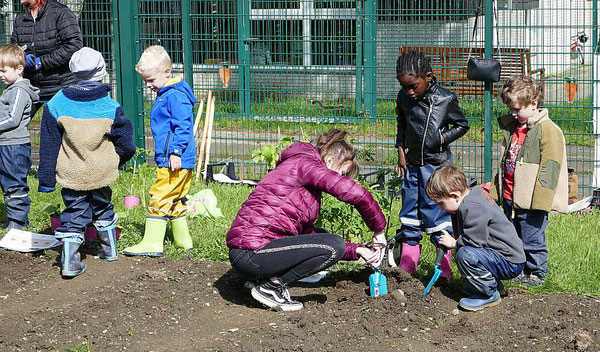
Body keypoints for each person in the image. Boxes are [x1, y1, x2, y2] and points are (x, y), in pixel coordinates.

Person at [227, 129, 386, 312]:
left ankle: (262, 279)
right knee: (333, 245)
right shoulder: (307, 165)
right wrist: (378, 230)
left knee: (323, 237)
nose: (340, 178)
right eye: (342, 172)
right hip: (252, 253)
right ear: (330, 161)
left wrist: (358, 250)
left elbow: (306, 236)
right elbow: (355, 193)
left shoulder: (300, 171)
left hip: (251, 251)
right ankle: (271, 287)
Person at [38, 47, 135, 278]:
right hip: (101, 170)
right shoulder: (110, 106)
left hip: (72, 172)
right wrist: (120, 159)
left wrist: (46, 179)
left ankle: (71, 261)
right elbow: (126, 142)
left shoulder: (56, 104)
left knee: (73, 212)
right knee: (103, 205)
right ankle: (109, 249)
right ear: (102, 72)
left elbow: (49, 145)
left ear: (72, 71)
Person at [394, 50, 469, 278]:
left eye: (414, 86)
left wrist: (442, 138)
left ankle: (443, 264)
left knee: (437, 211)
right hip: (412, 165)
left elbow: (462, 125)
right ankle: (408, 261)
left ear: (428, 76)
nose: (409, 91)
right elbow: (402, 124)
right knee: (409, 209)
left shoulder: (445, 99)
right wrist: (400, 151)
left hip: (437, 168)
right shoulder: (404, 98)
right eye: (405, 86)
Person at [491, 75, 568, 286]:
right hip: (510, 196)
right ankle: (518, 269)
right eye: (511, 110)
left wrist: (542, 202)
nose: (513, 114)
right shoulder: (513, 129)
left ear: (533, 103)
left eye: (517, 109)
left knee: (532, 238)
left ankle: (537, 272)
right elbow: (505, 162)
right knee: (513, 237)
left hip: (532, 200)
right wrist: (496, 191)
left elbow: (550, 168)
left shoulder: (548, 131)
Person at [123, 45, 196, 257]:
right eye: (146, 81)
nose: (149, 85)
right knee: (175, 198)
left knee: (160, 195)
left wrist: (175, 151)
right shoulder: (169, 92)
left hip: (174, 158)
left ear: (166, 71)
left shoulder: (174, 96)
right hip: (177, 157)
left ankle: (152, 243)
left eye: (151, 80)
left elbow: (182, 125)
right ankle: (183, 240)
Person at [427, 165, 525, 311]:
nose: (440, 208)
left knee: (465, 254)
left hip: (509, 262)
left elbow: (474, 241)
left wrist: (454, 242)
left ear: (455, 196)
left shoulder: (473, 206)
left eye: (441, 203)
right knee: (466, 251)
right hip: (506, 255)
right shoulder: (472, 196)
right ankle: (494, 285)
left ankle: (488, 294)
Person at [11, 0, 83, 117]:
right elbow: (13, 48)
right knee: (13, 126)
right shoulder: (20, 18)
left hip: (60, 87)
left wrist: (42, 62)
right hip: (30, 87)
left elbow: (74, 45)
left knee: (60, 130)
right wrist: (22, 58)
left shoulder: (60, 13)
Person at [0, 44, 40, 230]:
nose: (0, 75)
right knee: (7, 181)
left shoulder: (19, 91)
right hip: (6, 144)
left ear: (19, 69)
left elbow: (13, 119)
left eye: (4, 70)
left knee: (14, 183)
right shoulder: (10, 89)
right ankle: (17, 218)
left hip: (14, 146)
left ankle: (17, 221)